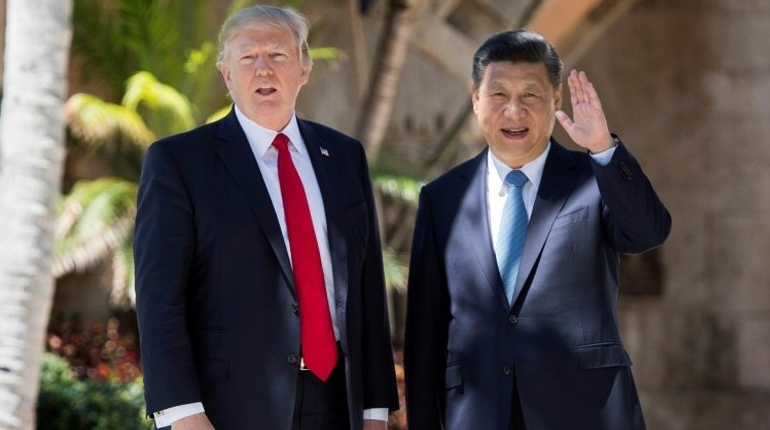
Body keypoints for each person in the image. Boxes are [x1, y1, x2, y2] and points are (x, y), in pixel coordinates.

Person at [134, 5, 399, 430]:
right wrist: (182, 412)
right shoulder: (179, 162)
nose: (263, 70)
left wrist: (374, 410)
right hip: (229, 407)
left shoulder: (345, 156)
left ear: (303, 69)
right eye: (247, 58)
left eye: (277, 56)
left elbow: (366, 289)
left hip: (337, 403)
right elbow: (159, 299)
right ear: (227, 75)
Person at [403, 29, 671, 430]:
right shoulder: (441, 198)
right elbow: (425, 330)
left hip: (585, 411)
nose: (514, 111)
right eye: (498, 95)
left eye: (530, 95)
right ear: (475, 97)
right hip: (478, 413)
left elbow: (649, 233)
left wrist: (603, 149)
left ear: (556, 99)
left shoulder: (593, 178)